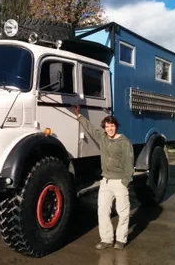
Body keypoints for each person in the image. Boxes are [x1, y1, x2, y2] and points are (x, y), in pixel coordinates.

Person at [74, 104, 134, 250]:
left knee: (123, 212)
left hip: (120, 181)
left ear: (116, 126)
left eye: (112, 126)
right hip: (106, 181)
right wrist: (79, 116)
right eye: (107, 127)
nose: (110, 129)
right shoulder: (103, 138)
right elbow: (91, 129)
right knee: (102, 211)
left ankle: (120, 239)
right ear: (105, 128)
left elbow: (129, 163)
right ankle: (106, 239)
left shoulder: (124, 142)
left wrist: (126, 181)